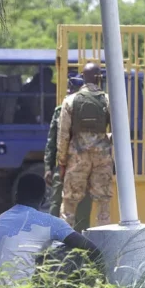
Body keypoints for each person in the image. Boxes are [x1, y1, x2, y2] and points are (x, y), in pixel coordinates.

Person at [0, 174, 101, 285]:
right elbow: (92, 250)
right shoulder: (50, 222)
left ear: (16, 196)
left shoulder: (2, 218)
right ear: (44, 200)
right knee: (66, 250)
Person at [57, 63, 113, 227]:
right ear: (99, 78)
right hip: (102, 157)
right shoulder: (108, 100)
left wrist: (61, 161)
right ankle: (104, 243)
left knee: (69, 202)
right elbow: (118, 130)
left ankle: (65, 242)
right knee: (103, 202)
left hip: (77, 157)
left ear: (82, 77)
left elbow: (63, 134)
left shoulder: (70, 101)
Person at [44, 77, 93, 232]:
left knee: (83, 208)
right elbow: (52, 140)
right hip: (64, 166)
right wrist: (48, 167)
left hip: (83, 166)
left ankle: (80, 244)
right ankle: (53, 244)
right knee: (56, 205)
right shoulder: (60, 110)